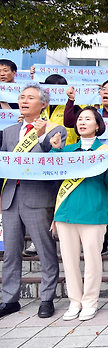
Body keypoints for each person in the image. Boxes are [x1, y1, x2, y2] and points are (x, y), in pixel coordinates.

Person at [50, 107, 108, 321]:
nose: (82, 122)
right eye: (80, 119)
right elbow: (55, 175)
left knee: (92, 260)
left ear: (98, 125)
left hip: (93, 213)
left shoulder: (105, 152)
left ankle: (90, 301)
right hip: (65, 213)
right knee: (70, 260)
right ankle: (75, 301)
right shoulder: (67, 150)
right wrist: (55, 150)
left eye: (88, 119)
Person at [0, 84, 67, 319]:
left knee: (45, 251)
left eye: (30, 97)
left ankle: (47, 299)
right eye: (21, 97)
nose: (24, 101)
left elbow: (54, 162)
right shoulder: (8, 132)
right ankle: (9, 299)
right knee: (10, 252)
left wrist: (40, 138)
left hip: (38, 198)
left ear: (44, 104)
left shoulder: (57, 129)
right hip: (10, 198)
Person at [64, 78, 108, 259]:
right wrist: (71, 100)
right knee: (99, 206)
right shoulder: (93, 113)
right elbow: (69, 121)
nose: (105, 92)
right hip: (89, 167)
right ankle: (101, 244)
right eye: (103, 89)